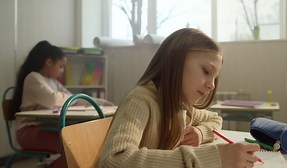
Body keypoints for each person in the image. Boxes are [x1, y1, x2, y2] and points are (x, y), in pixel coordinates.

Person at [98, 28, 260, 168]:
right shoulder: (140, 101)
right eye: (206, 71)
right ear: (175, 62)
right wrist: (212, 158)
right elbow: (113, 161)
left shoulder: (179, 104)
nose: (211, 85)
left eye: (214, 78)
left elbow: (215, 119)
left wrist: (200, 132)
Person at [10, 40, 113, 168]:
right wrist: (70, 99)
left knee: (80, 145)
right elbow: (54, 100)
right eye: (60, 66)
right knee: (75, 147)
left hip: (46, 129)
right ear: (49, 62)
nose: (62, 71)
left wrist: (101, 103)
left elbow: (73, 99)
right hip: (28, 132)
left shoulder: (53, 82)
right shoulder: (33, 78)